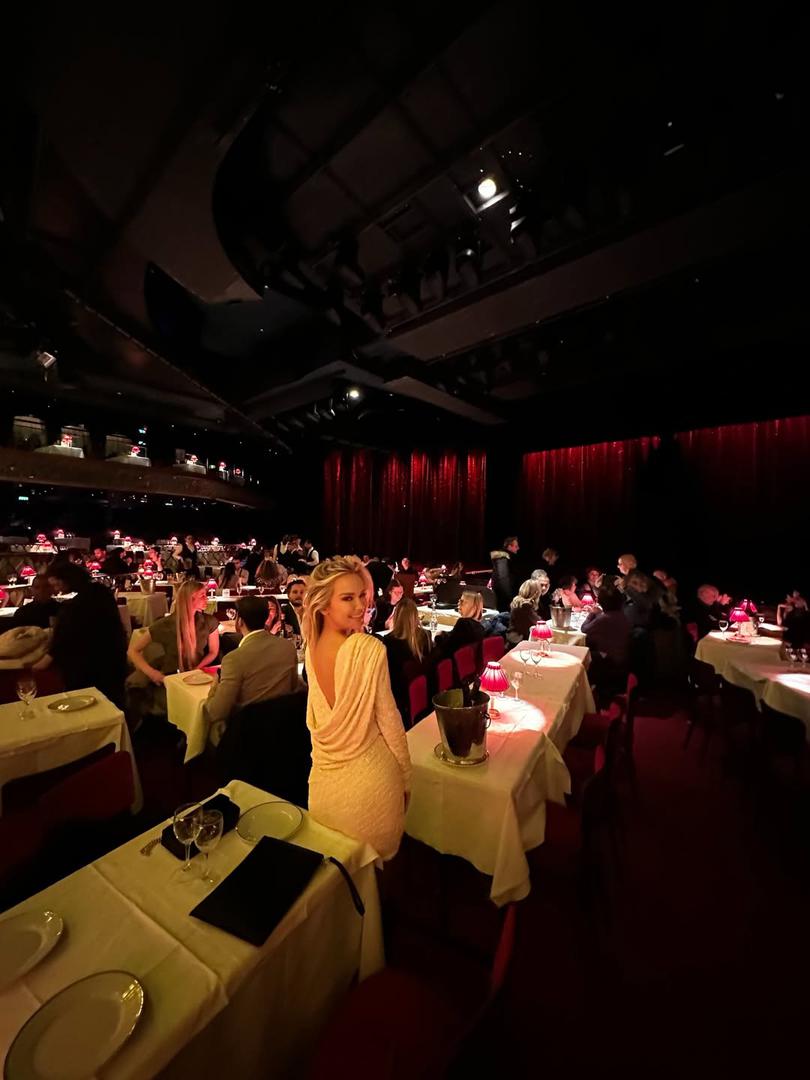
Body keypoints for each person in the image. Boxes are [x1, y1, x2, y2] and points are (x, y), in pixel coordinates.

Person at [303, 556, 411, 860]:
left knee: (336, 879)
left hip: (324, 790)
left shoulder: (310, 646)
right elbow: (390, 721)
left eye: (362, 595)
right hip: (372, 789)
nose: (361, 605)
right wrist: (406, 779)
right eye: (347, 598)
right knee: (373, 878)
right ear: (324, 605)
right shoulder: (368, 649)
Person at [205, 596, 299, 746]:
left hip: (246, 736)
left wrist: (215, 684)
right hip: (282, 730)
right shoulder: (287, 647)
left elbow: (216, 713)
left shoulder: (233, 659)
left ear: (239, 621)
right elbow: (293, 687)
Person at [34, 564, 128, 707]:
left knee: (92, 703)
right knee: (112, 701)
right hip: (113, 652)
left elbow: (67, 635)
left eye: (57, 584)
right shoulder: (100, 591)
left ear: (66, 579)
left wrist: (47, 658)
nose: (56, 589)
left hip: (92, 662)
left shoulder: (77, 604)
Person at [126, 579, 219, 717]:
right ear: (189, 599)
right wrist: (152, 673)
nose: (207, 598)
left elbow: (213, 651)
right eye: (202, 595)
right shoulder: (165, 624)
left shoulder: (209, 622)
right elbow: (132, 651)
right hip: (171, 677)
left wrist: (198, 668)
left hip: (199, 676)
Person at [382, 598, 432, 720]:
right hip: (424, 689)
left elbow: (389, 673)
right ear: (415, 616)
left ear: (396, 616)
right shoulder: (426, 635)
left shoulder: (389, 641)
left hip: (399, 694)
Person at [582, 586, 631, 701]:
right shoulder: (622, 615)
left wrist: (592, 614)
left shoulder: (605, 618)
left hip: (612, 658)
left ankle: (587, 692)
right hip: (623, 655)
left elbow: (584, 629)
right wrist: (599, 614)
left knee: (584, 656)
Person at [433, 590, 486, 657]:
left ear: (472, 606)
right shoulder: (480, 627)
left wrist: (438, 637)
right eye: (459, 601)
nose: (458, 604)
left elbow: (447, 648)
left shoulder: (464, 624)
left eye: (462, 602)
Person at [490, 536, 520, 612]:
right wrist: (510, 599)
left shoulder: (506, 558)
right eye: (516, 546)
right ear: (509, 547)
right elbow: (503, 579)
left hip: (505, 598)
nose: (518, 548)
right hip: (505, 600)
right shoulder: (503, 559)